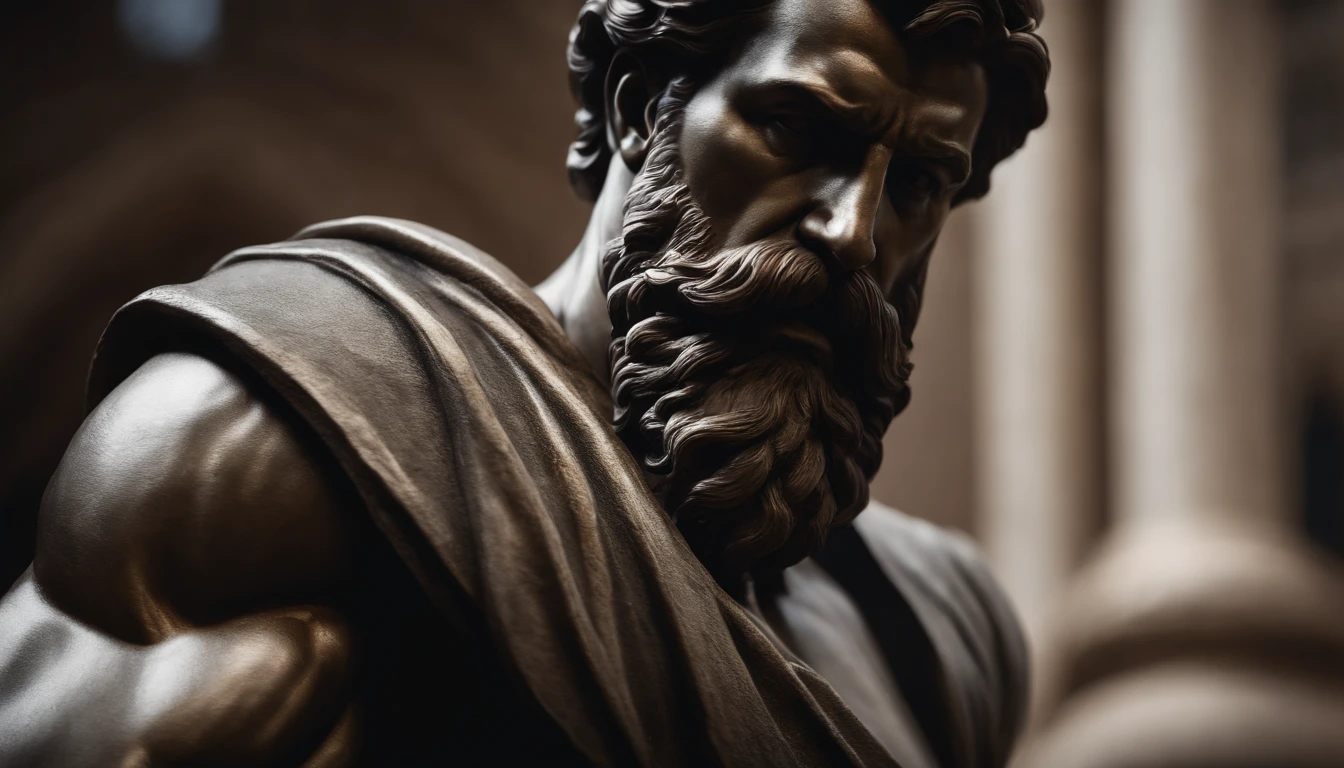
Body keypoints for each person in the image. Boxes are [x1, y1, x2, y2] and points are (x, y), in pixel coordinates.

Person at [0, 0, 1049, 764]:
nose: (852, 232)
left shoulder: (935, 634)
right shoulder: (280, 452)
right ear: (642, 105)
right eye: (793, 130)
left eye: (916, 184)